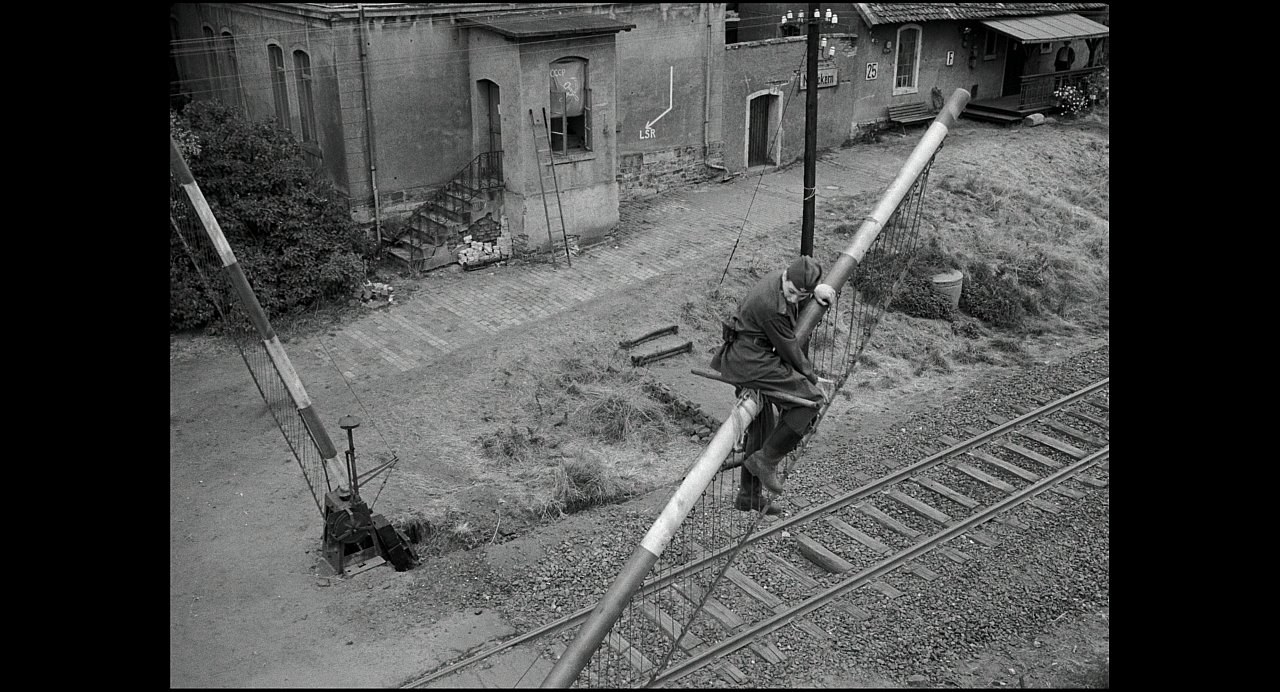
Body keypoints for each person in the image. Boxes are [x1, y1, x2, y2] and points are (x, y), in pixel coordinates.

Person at [710, 256, 837, 511]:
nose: (793, 299)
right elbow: (789, 348)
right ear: (786, 278)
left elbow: (794, 301)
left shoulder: (782, 283)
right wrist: (813, 379)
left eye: (800, 296)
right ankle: (767, 461)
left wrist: (815, 293)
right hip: (751, 362)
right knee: (811, 401)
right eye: (791, 292)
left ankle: (749, 495)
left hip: (751, 355)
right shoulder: (771, 306)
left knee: (762, 423)